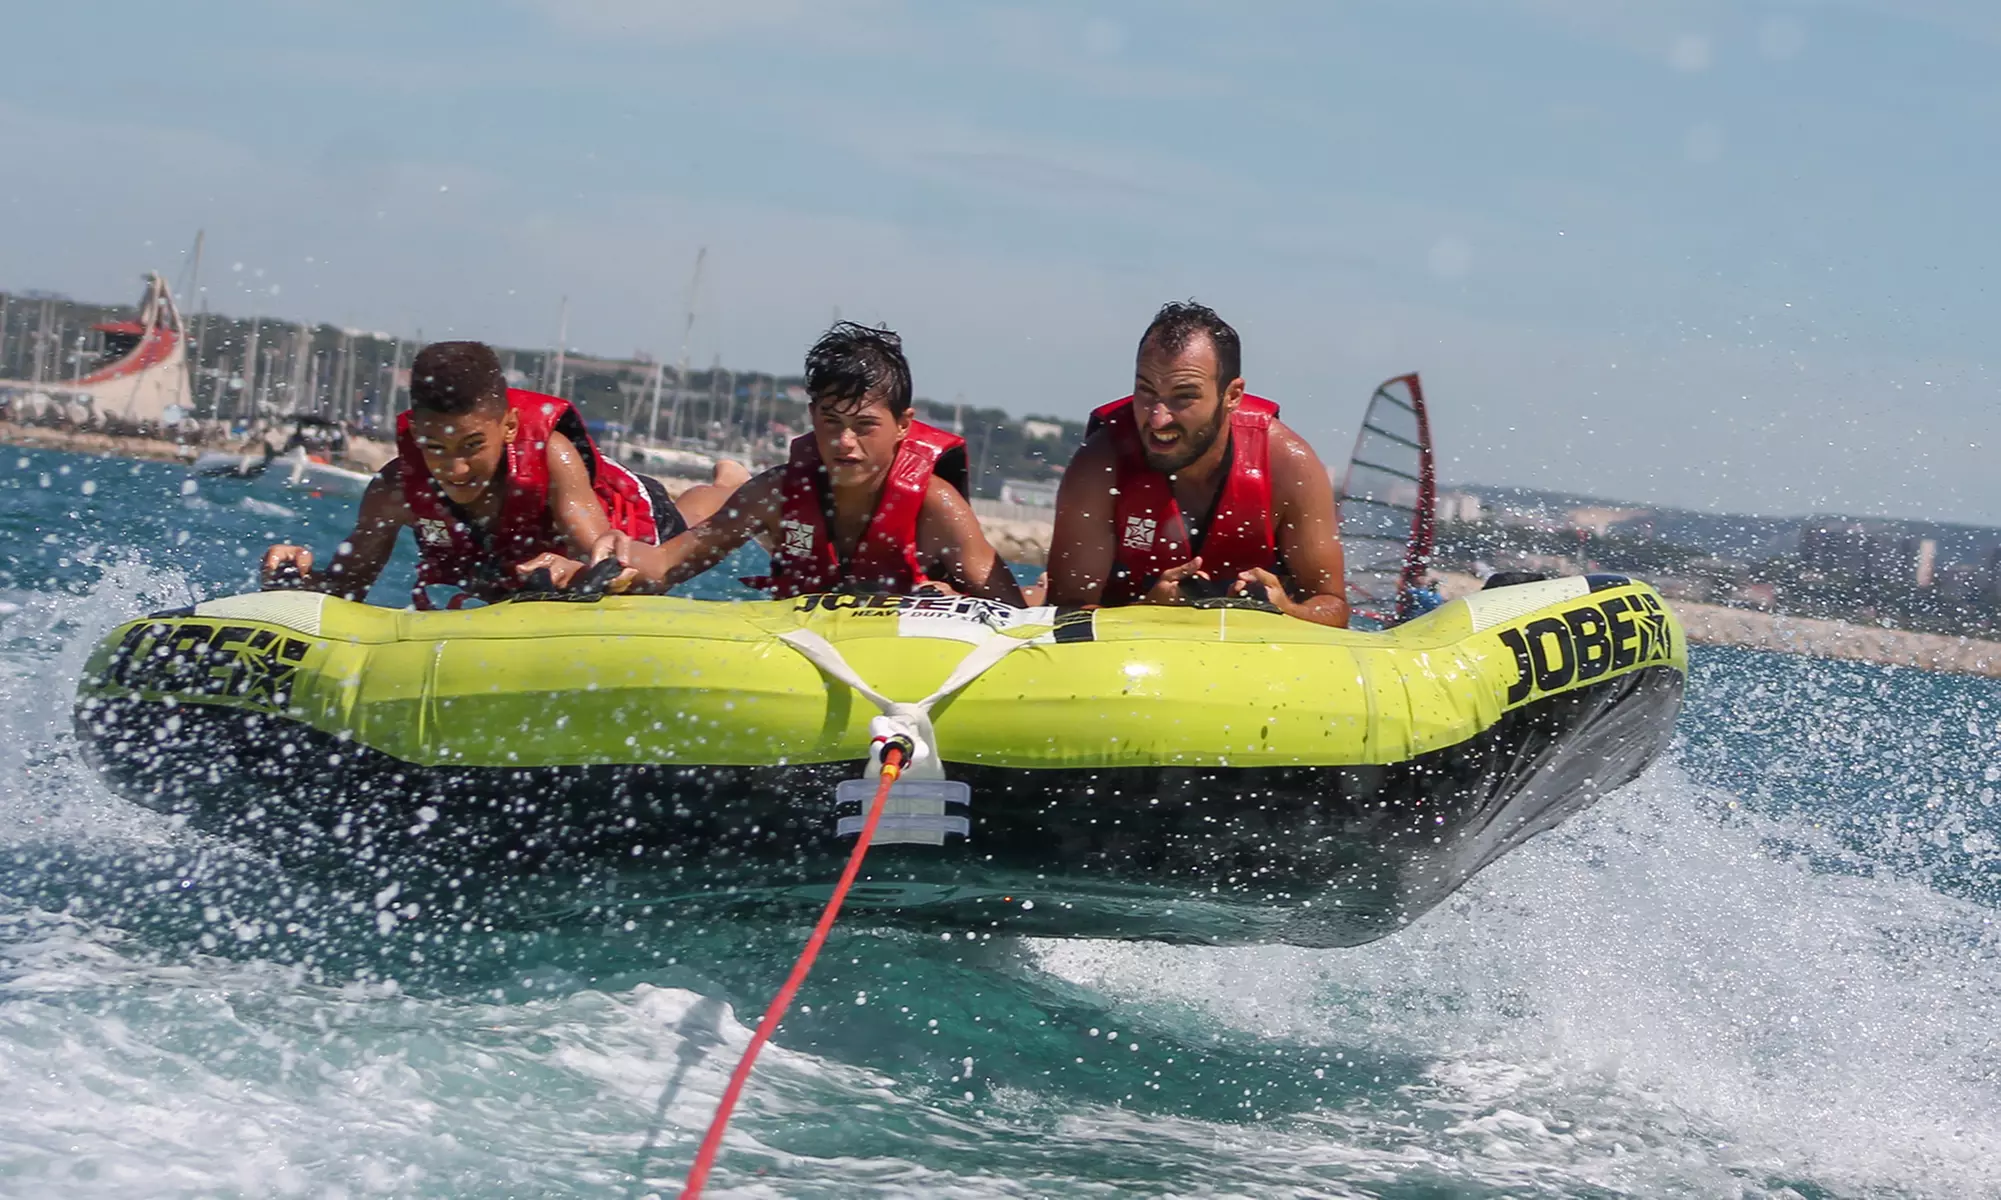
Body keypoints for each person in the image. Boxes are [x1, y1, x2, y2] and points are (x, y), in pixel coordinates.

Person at [259, 340, 742, 607]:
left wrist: (577, 571)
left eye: (472, 446)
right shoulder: (395, 489)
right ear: (415, 432)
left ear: (509, 426)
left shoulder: (552, 457)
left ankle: (728, 483)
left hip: (627, 515)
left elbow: (611, 560)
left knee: (688, 524)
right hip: (512, 563)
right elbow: (348, 589)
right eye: (435, 448)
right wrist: (296, 579)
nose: (455, 468)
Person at [577, 321, 1024, 603]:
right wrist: (616, 554)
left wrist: (957, 601)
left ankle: (730, 481)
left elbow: (1013, 613)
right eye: (831, 422)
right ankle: (729, 480)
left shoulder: (935, 504)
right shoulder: (778, 492)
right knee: (722, 502)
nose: (845, 443)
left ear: (904, 425)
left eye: (864, 426)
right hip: (787, 547)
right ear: (812, 416)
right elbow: (665, 565)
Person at [1043, 301, 1349, 626]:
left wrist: (1285, 609)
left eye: (1184, 396)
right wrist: (1147, 610)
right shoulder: (1100, 466)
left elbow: (1333, 607)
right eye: (1146, 390)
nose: (1158, 419)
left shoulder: (1288, 465)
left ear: (1232, 396)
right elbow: (1063, 612)